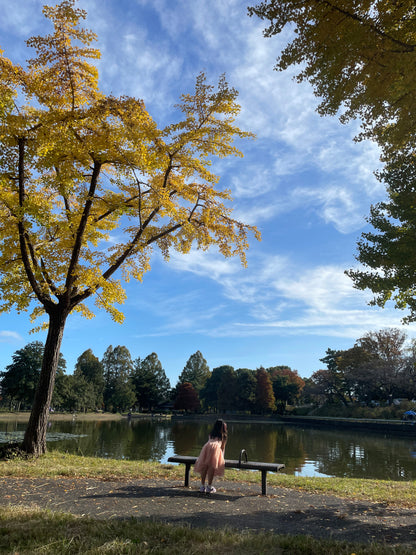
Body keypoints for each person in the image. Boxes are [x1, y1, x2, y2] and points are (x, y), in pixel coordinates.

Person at [194, 419, 227, 493]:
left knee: (204, 467)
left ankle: (202, 486)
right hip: (215, 449)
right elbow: (222, 448)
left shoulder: (211, 434)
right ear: (222, 427)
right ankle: (209, 486)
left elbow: (211, 441)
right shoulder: (223, 436)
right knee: (212, 467)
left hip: (207, 447)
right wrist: (222, 458)